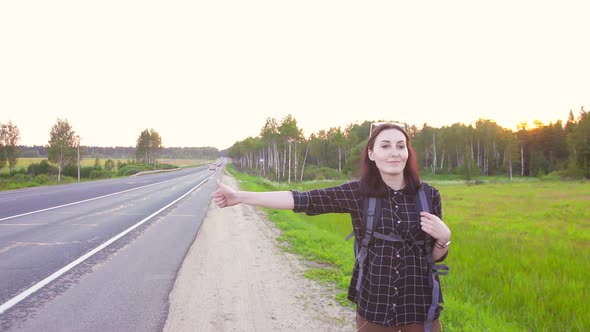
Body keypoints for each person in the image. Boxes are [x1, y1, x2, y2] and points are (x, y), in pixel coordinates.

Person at [212, 123, 451, 332]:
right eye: (385, 146)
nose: (395, 153)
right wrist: (241, 197)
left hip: (421, 306)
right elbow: (302, 199)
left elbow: (433, 255)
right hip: (376, 304)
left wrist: (444, 239)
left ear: (408, 152)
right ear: (371, 153)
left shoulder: (428, 195)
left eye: (401, 146)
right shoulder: (358, 192)